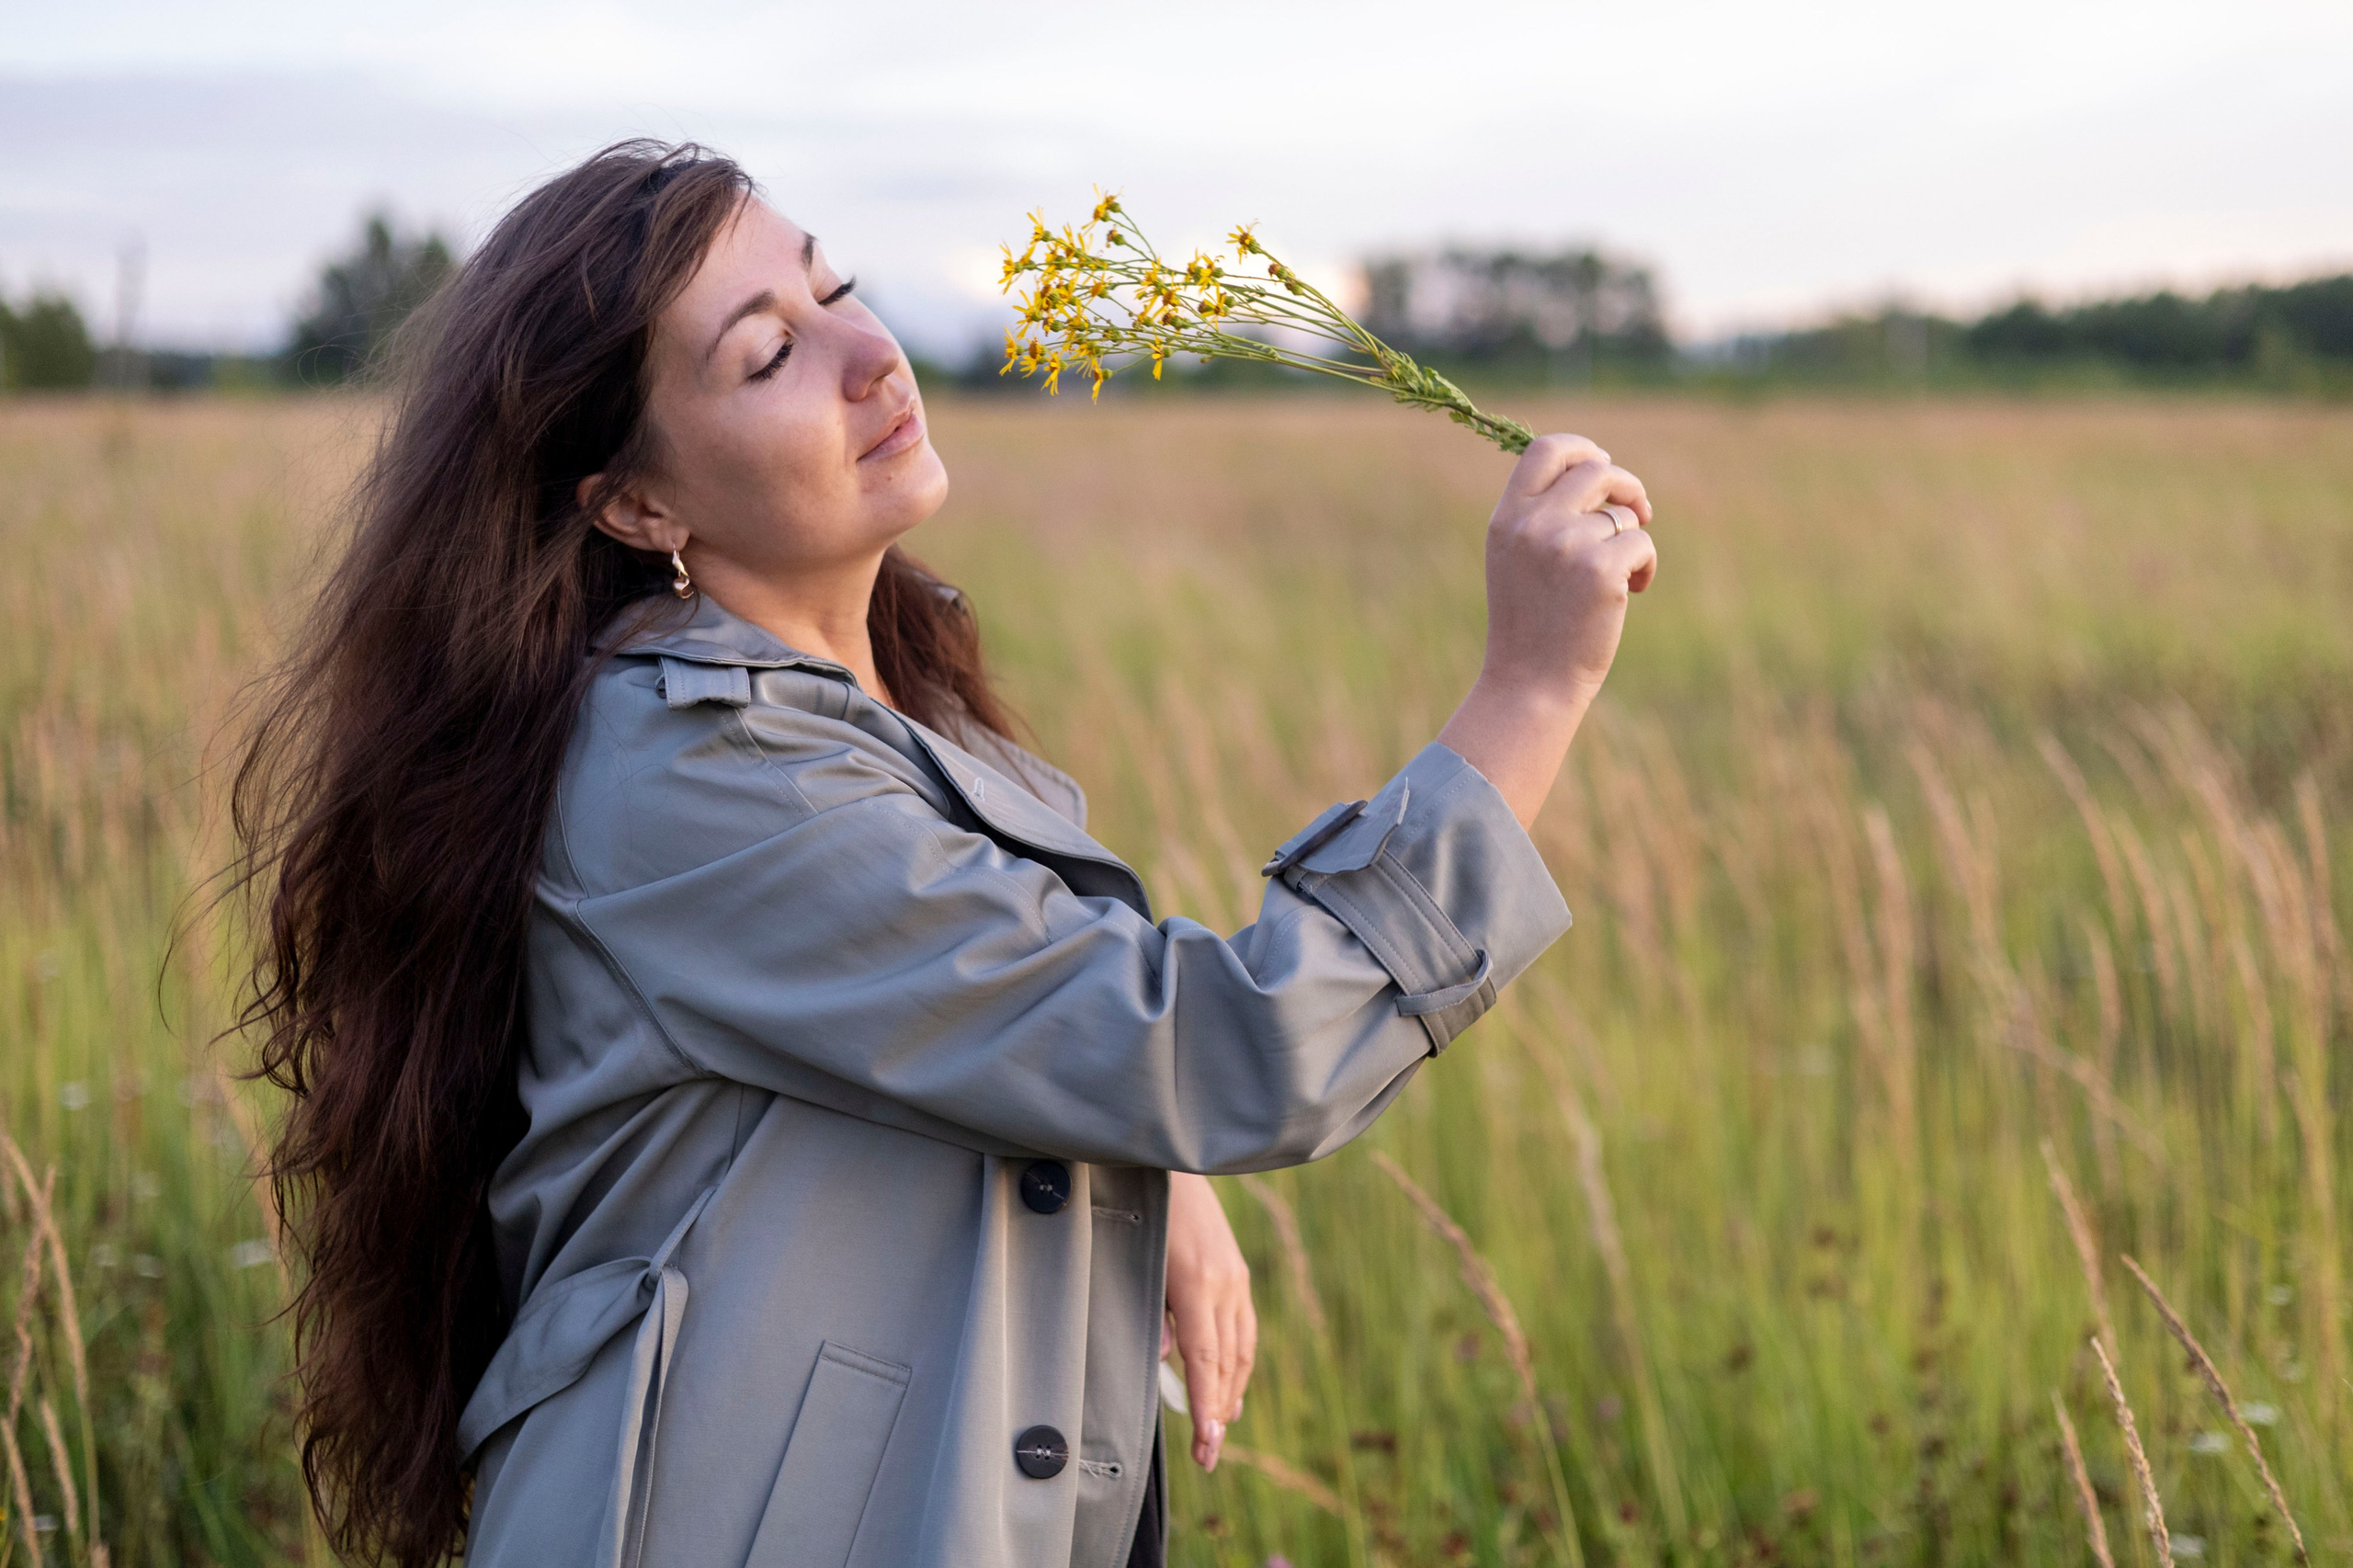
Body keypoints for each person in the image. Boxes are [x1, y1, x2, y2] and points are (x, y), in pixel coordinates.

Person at [232, 141, 1655, 1568]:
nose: (869, 352)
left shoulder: (889, 713)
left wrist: (1154, 1169)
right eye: (769, 351)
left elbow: (1017, 1011)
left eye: (837, 285)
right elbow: (1228, 1041)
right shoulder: (697, 783)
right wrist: (1530, 691)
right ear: (637, 507)